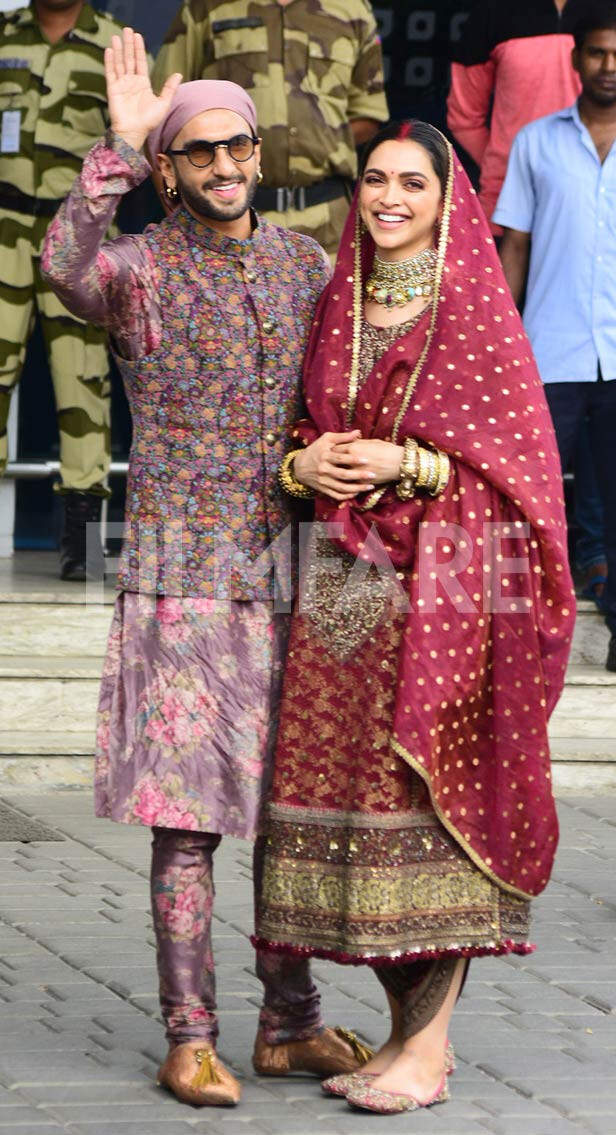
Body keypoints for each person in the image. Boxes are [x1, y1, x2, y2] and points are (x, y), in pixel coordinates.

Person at [41, 28, 371, 1108]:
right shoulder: (136, 270)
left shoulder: (305, 263)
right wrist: (116, 155)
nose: (227, 167)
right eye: (201, 153)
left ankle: (290, 1023)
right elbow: (62, 270)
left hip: (302, 572)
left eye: (240, 149)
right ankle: (189, 1037)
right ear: (172, 170)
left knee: (293, 812)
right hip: (185, 575)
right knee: (189, 818)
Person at [252, 119, 575, 1115]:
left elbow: (519, 471)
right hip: (342, 598)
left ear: (448, 204)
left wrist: (409, 464)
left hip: (448, 598)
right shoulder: (337, 302)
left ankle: (429, 1051)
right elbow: (299, 427)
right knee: (360, 815)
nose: (388, 197)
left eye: (412, 184)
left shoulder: (473, 312)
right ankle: (399, 1035)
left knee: (430, 806)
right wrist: (303, 463)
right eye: (374, 180)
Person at [494, 0, 616, 671]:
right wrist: (505, 344)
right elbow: (514, 246)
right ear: (577, 62)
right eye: (598, 53)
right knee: (533, 502)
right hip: (552, 351)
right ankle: (525, 635)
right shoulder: (537, 141)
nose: (608, 67)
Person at [0, 0, 126, 579]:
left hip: (78, 230)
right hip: (3, 226)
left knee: (83, 376)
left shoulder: (113, 46)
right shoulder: (5, 34)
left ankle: (81, 536)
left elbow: (137, 146)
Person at [150, 0, 389, 259]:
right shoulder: (206, 6)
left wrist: (318, 141)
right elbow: (161, 113)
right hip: (228, 221)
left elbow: (368, 114)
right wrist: (178, 215)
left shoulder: (351, 8)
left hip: (329, 223)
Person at [447, 0, 583, 233]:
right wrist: (510, 168)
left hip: (595, 203)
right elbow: (464, 118)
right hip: (505, 204)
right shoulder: (492, 10)